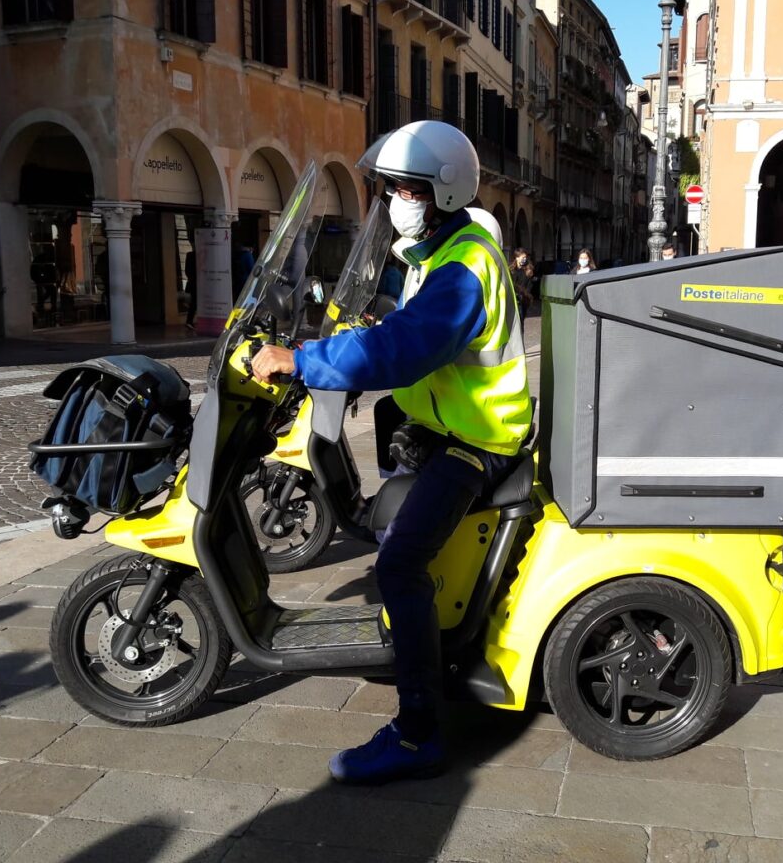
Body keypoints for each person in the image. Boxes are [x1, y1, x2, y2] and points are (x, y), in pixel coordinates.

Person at [250, 121, 532, 785]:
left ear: (442, 193)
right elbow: (405, 330)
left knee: (400, 563)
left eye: (405, 188)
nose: (393, 199)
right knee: (388, 425)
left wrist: (300, 359)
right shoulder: (439, 255)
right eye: (389, 189)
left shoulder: (464, 266)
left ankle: (418, 734)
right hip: (451, 427)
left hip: (479, 442)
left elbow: (406, 348)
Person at [510, 246, 535, 327]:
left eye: (525, 257)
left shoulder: (528, 270)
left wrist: (525, 296)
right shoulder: (511, 270)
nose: (524, 259)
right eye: (522, 257)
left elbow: (529, 286)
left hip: (523, 300)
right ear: (516, 258)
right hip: (513, 300)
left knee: (520, 323)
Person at [184, 249, 197, 328]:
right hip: (194, 282)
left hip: (193, 282)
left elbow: (186, 270)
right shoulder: (191, 255)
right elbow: (187, 270)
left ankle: (189, 321)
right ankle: (189, 321)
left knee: (194, 302)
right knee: (194, 302)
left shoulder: (189, 255)